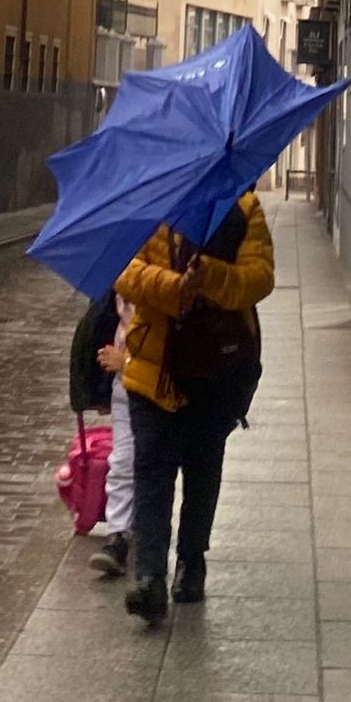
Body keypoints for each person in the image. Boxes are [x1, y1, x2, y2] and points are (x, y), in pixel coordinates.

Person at [114, 189, 274, 622]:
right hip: (154, 367)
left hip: (216, 367)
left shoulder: (243, 209)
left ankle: (191, 562)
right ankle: (149, 575)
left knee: (203, 469)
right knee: (152, 469)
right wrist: (174, 287)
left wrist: (210, 279)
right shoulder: (151, 203)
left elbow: (259, 277)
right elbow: (125, 272)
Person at [88, 295, 135, 576]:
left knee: (154, 466)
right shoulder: (120, 272)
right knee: (123, 462)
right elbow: (101, 323)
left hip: (159, 384)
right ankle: (117, 536)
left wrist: (126, 361)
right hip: (124, 386)